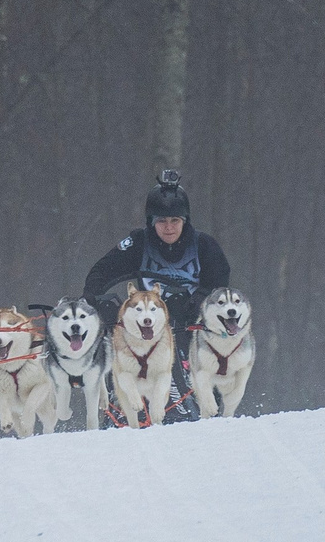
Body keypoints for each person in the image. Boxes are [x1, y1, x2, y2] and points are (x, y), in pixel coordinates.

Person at [84, 170, 232, 424]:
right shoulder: (139, 243)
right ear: (151, 221)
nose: (168, 227)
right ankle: (121, 405)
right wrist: (97, 301)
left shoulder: (204, 246)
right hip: (146, 325)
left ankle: (201, 404)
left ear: (185, 220)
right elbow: (101, 272)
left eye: (175, 220)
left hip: (190, 325)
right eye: (161, 221)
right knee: (117, 340)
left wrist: (194, 304)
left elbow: (219, 286)